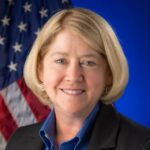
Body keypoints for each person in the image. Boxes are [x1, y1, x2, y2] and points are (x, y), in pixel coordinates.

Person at [6, 8, 150, 150]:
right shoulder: (19, 141)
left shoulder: (142, 144)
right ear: (40, 70)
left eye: (88, 62)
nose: (73, 76)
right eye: (61, 61)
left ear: (109, 74)